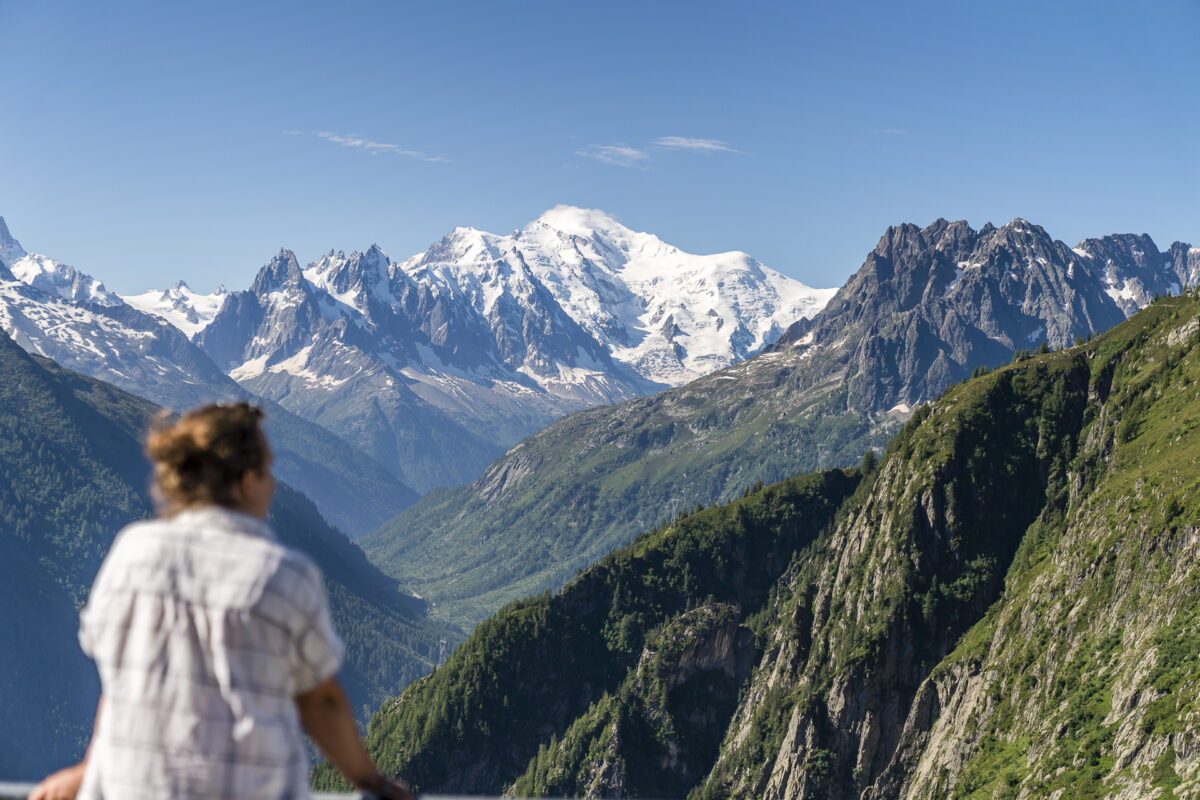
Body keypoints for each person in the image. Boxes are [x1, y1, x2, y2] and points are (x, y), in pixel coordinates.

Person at [29, 402, 413, 800]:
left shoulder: (131, 552)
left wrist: (91, 767)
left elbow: (123, 676)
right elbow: (322, 704)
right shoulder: (281, 573)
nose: (273, 484)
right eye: (268, 471)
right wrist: (372, 783)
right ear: (247, 481)